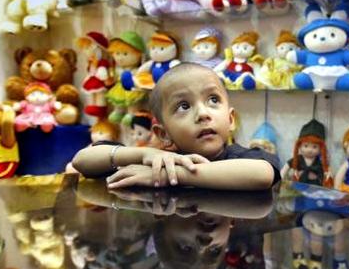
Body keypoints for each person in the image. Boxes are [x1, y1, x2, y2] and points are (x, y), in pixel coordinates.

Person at [72, 63, 280, 190]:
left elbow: (262, 174)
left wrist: (172, 176)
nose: (203, 114)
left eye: (213, 100)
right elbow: (82, 161)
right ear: (163, 133)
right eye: (184, 106)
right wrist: (143, 156)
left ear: (231, 119)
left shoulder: (240, 157)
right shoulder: (156, 160)